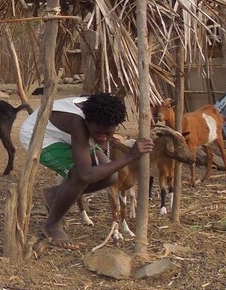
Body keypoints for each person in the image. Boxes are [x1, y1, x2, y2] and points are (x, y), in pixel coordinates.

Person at [18, 93, 153, 251]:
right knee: (80, 176)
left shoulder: (99, 114)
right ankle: (52, 224)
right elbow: (86, 175)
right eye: (98, 133)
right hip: (41, 135)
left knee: (110, 176)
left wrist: (98, 138)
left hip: (69, 135)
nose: (103, 138)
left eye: (108, 133)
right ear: (87, 122)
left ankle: (55, 194)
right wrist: (130, 156)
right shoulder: (78, 122)